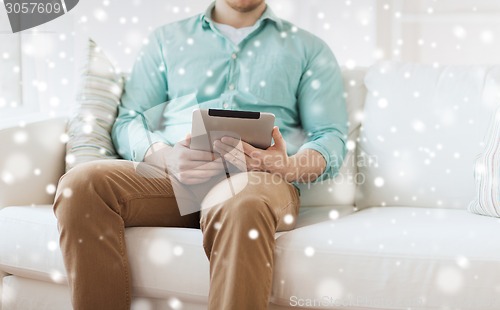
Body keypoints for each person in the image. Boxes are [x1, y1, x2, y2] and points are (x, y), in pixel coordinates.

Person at [53, 0, 348, 309]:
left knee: (242, 204)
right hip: (173, 179)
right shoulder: (165, 40)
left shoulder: (309, 48)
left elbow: (330, 136)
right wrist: (163, 157)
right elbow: (131, 119)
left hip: (260, 181)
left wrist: (287, 167)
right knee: (81, 185)